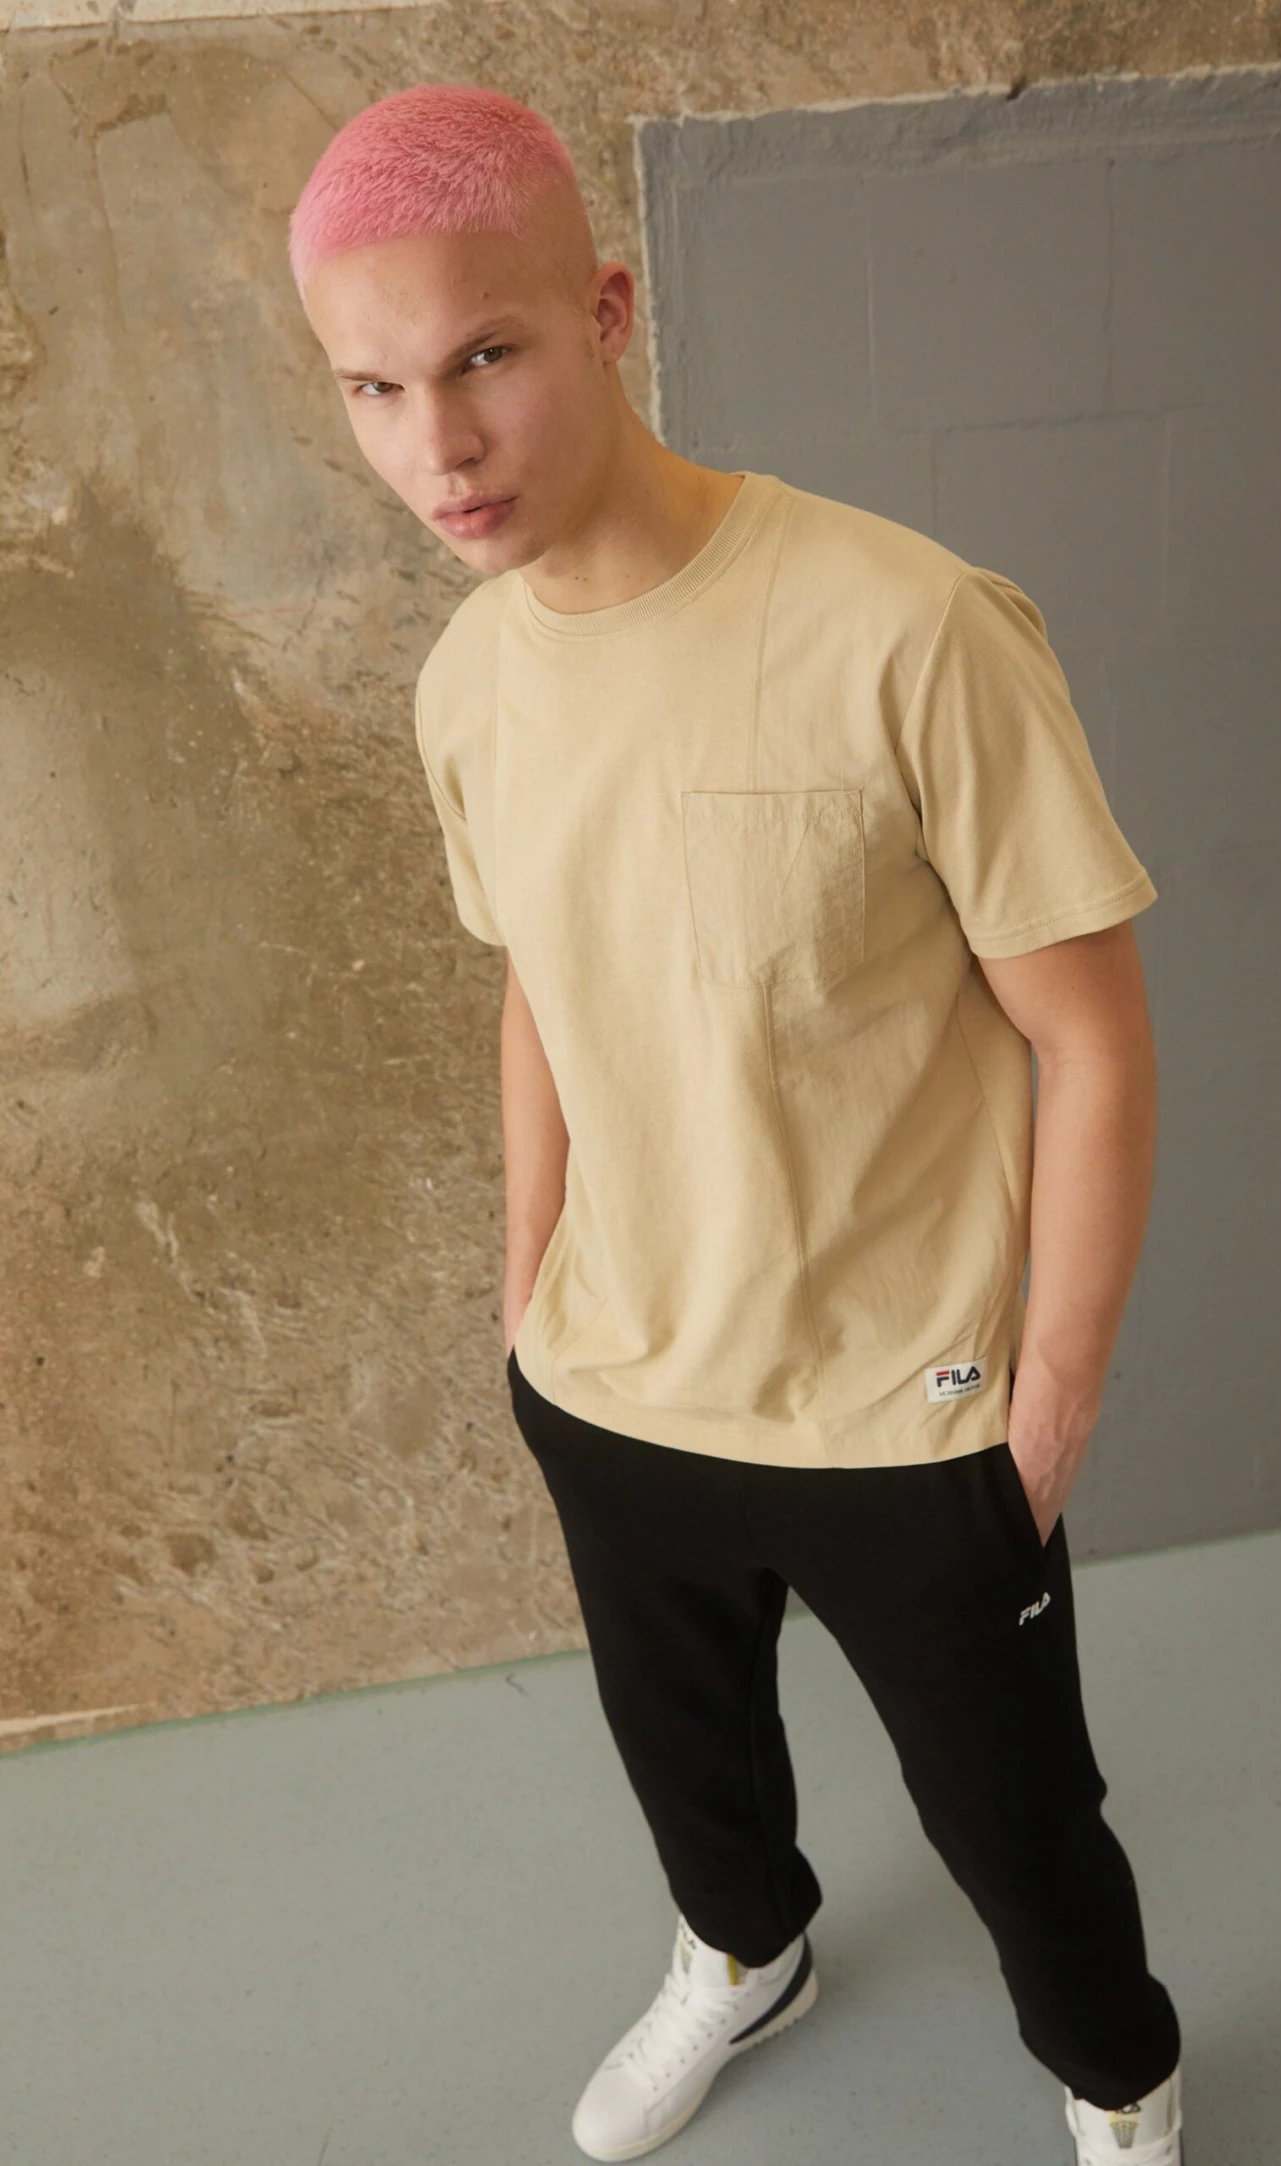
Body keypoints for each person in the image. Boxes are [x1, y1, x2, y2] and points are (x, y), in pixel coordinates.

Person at [290, 81, 1186, 2166]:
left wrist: (1045, 1404)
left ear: (606, 310)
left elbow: (1094, 1041)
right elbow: (542, 980)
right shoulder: (467, 682)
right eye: (375, 388)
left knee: (1019, 1820)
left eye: (486, 356)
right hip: (618, 1379)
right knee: (684, 1760)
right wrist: (530, 1301)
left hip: (907, 1408)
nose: (438, 447)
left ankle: (1121, 2077)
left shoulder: (907, 627)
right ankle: (743, 1950)